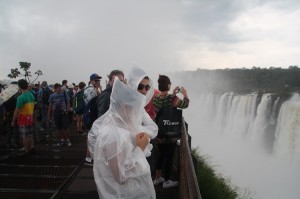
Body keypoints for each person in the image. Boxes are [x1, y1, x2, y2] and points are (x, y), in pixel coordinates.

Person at [92, 78, 156, 199]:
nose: (135, 113)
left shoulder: (121, 127)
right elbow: (121, 175)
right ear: (123, 106)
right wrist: (140, 149)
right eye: (134, 108)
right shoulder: (114, 135)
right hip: (122, 194)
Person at [153, 75, 190, 188]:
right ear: (168, 85)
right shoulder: (172, 99)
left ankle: (158, 178)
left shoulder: (156, 98)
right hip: (169, 132)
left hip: (159, 132)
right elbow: (185, 104)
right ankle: (167, 181)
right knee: (169, 156)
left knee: (161, 155)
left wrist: (173, 94)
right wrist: (184, 94)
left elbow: (165, 104)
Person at [11, 79, 35, 154]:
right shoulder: (31, 94)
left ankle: (26, 150)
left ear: (19, 87)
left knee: (25, 136)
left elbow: (17, 110)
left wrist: (13, 121)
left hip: (23, 118)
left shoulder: (20, 97)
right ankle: (32, 147)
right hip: (30, 117)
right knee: (30, 134)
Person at [84, 73, 102, 165]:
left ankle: (89, 156)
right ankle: (88, 157)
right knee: (91, 136)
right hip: (91, 116)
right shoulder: (90, 90)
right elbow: (94, 103)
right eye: (96, 80)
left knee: (91, 136)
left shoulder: (93, 89)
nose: (98, 82)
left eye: (98, 80)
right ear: (91, 81)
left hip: (91, 115)